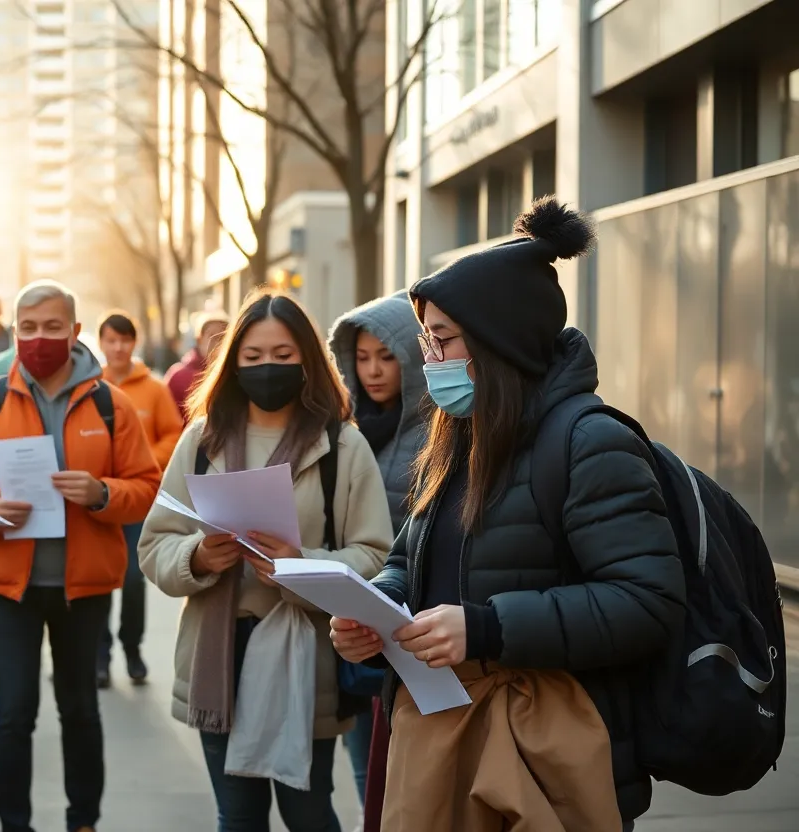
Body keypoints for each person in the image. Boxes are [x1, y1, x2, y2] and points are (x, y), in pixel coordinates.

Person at [330, 197, 685, 832]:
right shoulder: (461, 433)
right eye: (426, 340)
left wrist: (488, 629)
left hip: (550, 755)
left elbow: (647, 602)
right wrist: (375, 612)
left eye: (441, 341)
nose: (429, 359)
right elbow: (411, 559)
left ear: (497, 344)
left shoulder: (589, 441)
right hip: (450, 740)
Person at [139, 289, 394, 832]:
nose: (268, 368)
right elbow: (156, 545)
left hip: (307, 658)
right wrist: (200, 556)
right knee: (238, 816)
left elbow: (376, 556)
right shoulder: (201, 440)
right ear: (232, 362)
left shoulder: (342, 446)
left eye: (283, 356)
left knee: (307, 813)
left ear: (308, 359)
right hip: (219, 654)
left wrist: (300, 565)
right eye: (253, 357)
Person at [0, 279, 162, 832]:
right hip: (5, 586)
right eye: (29, 328)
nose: (39, 338)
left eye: (52, 327)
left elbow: (146, 486)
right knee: (13, 716)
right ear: (15, 332)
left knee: (80, 712)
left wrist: (102, 493)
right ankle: (14, 824)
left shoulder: (112, 405)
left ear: (75, 332)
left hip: (82, 588)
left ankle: (82, 821)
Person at [326, 291, 427, 829]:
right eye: (361, 357)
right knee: (366, 771)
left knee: (405, 776)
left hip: (417, 623)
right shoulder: (344, 428)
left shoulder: (438, 430)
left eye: (385, 356)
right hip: (355, 620)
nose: (372, 370)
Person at [95, 309, 184, 688]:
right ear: (100, 343)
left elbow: (172, 434)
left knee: (133, 579)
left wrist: (144, 459)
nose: (117, 347)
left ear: (134, 343)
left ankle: (132, 649)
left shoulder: (153, 388)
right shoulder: (89, 386)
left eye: (124, 340)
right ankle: (99, 656)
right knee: (97, 581)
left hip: (136, 502)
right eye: (111, 340)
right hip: (96, 503)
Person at [164, 309, 229, 417]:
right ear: (199, 339)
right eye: (212, 336)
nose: (218, 342)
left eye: (223, 336)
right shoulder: (178, 376)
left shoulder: (235, 374)